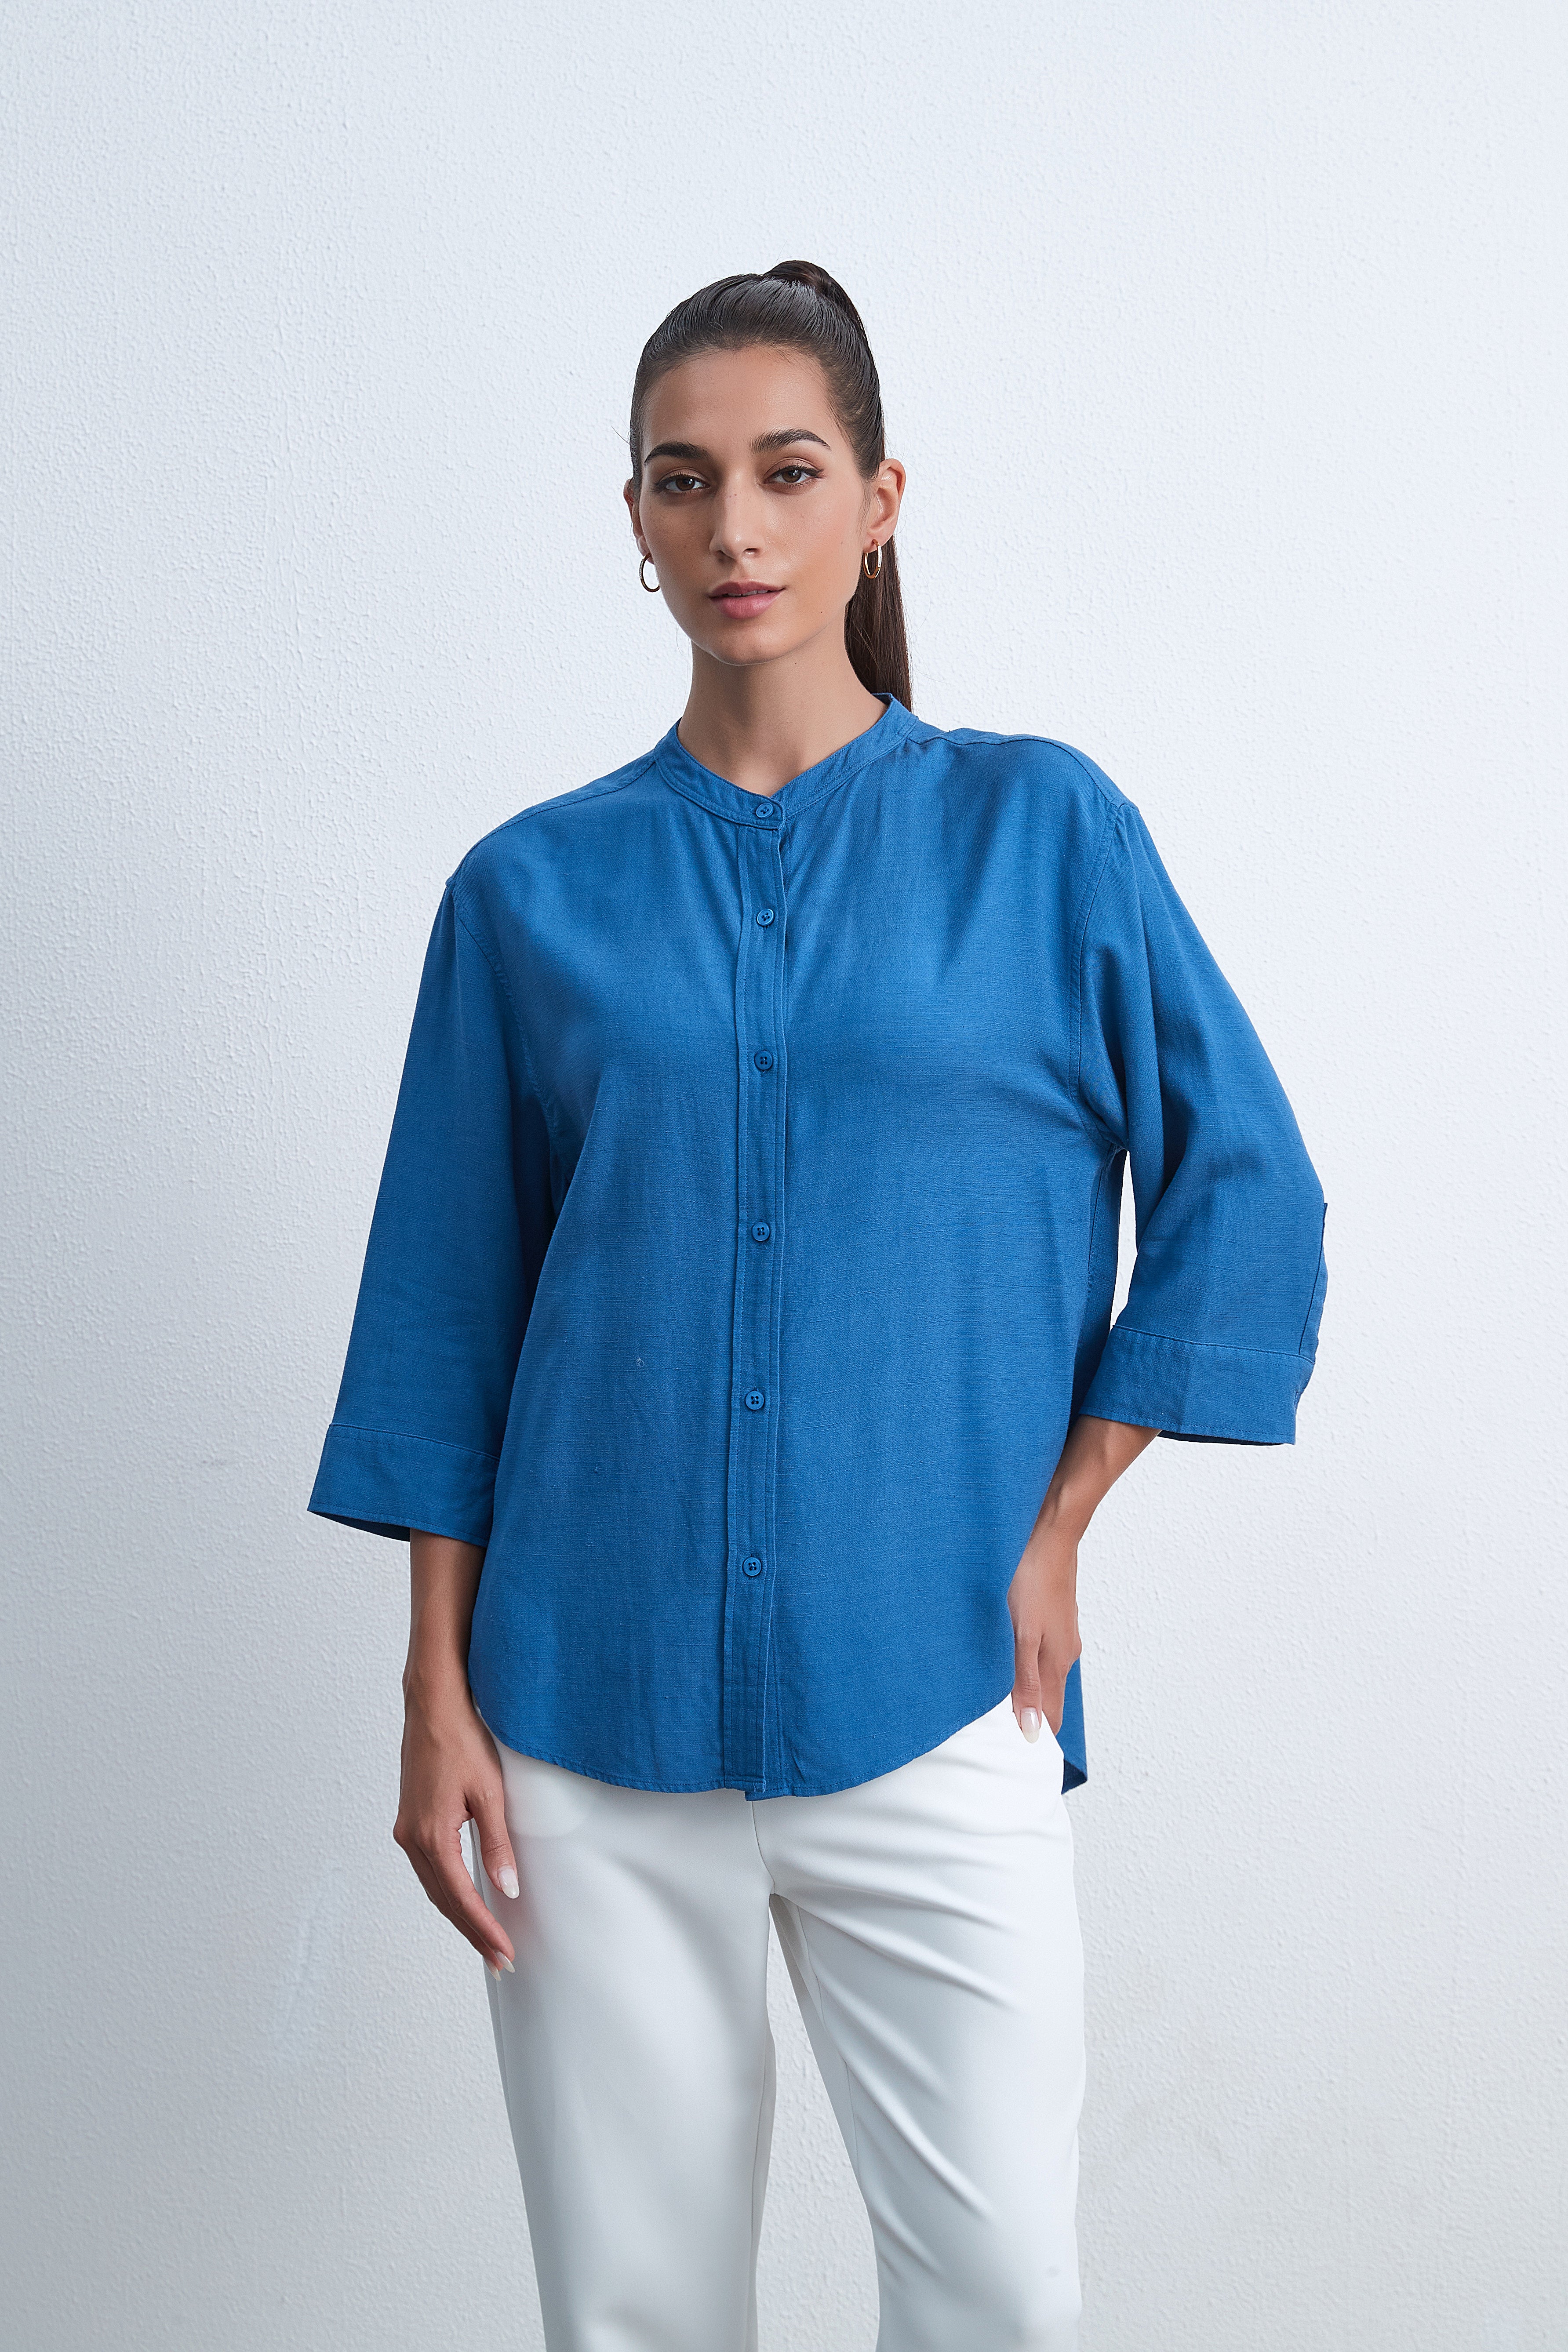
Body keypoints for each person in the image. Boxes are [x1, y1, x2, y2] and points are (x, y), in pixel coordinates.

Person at [308, 261, 1328, 2352]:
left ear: (879, 499)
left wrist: (1065, 1513)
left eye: (786, 473)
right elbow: (445, 1313)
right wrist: (433, 1691)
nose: (735, 528)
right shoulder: (526, 893)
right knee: (637, 2314)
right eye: (683, 482)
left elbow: (1248, 1185)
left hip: (939, 1681)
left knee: (998, 2299)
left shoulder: (1043, 836)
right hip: (582, 1710)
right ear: (633, 517)